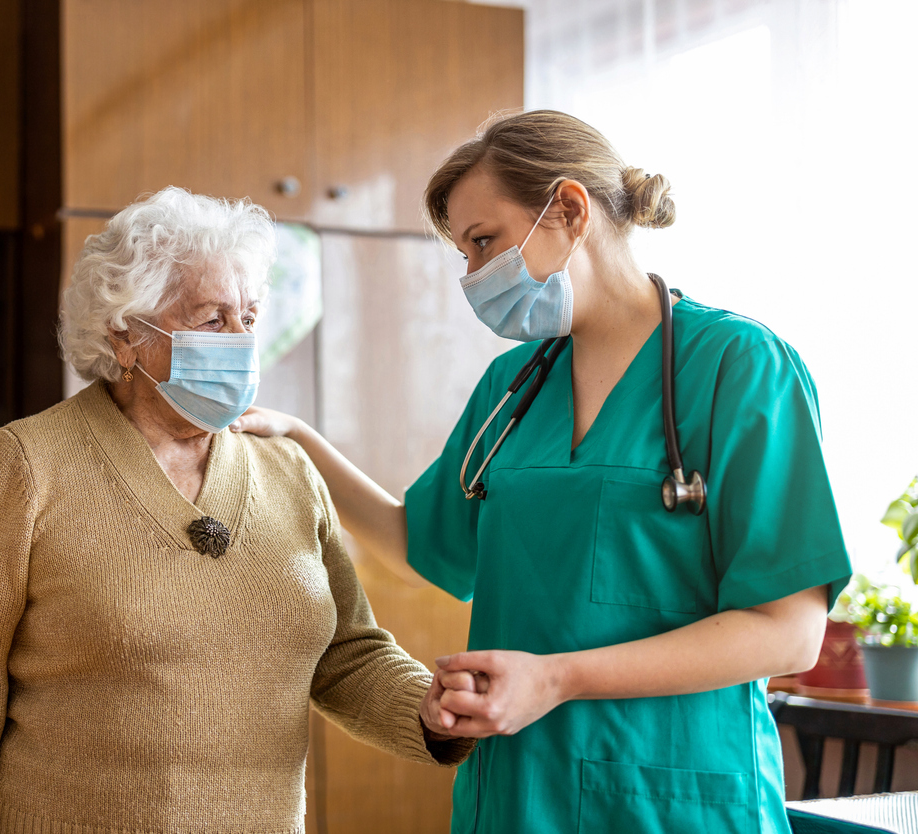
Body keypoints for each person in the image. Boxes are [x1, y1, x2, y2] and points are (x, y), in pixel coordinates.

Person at [233, 110, 851, 833]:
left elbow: (786, 633)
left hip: (672, 794)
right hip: (519, 790)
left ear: (567, 208)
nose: (471, 277)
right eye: (463, 254)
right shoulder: (511, 389)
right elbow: (419, 543)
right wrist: (301, 440)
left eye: (483, 242)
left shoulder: (737, 368)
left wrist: (557, 680)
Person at [0, 187, 472, 834]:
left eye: (248, 317)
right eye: (212, 319)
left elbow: (347, 656)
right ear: (125, 333)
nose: (240, 340)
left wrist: (428, 709)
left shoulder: (286, 470)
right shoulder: (25, 466)